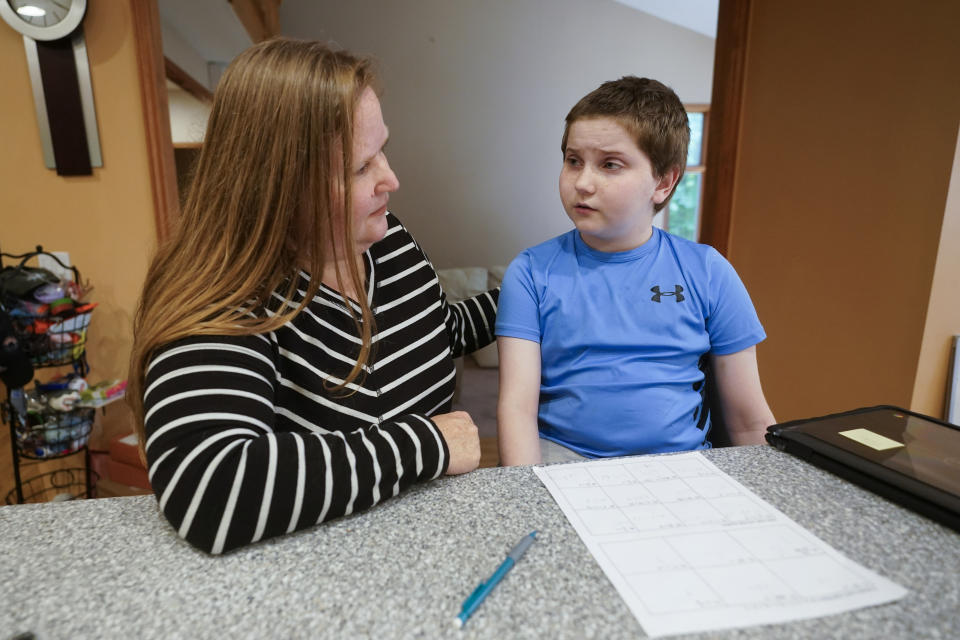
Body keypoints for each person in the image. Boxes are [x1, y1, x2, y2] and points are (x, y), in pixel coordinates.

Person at [128, 39, 498, 554]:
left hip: (432, 545)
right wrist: (427, 445)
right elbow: (211, 484)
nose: (390, 178)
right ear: (278, 186)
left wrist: (533, 298)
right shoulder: (227, 302)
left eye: (382, 150)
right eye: (359, 167)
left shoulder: (387, 242)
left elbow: (437, 331)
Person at [496, 77, 774, 466]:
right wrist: (529, 498)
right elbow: (517, 411)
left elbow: (748, 421)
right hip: (563, 460)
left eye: (610, 165)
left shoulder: (708, 272)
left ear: (663, 182)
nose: (583, 182)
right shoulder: (530, 272)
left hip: (681, 465)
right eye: (573, 161)